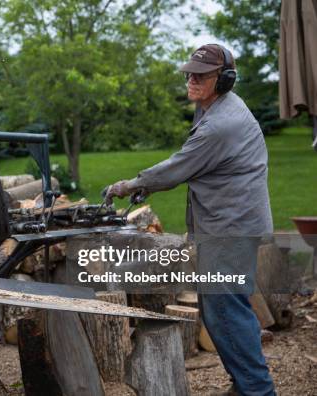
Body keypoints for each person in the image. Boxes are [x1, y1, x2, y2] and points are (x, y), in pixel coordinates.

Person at [103, 44, 276, 396]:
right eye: (190, 73)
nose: (192, 79)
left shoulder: (221, 124)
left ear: (224, 79)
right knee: (221, 311)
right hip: (230, 224)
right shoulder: (214, 107)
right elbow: (194, 164)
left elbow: (180, 165)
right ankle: (246, 386)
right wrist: (149, 187)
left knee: (226, 312)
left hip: (231, 229)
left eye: (202, 75)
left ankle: (258, 391)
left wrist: (130, 184)